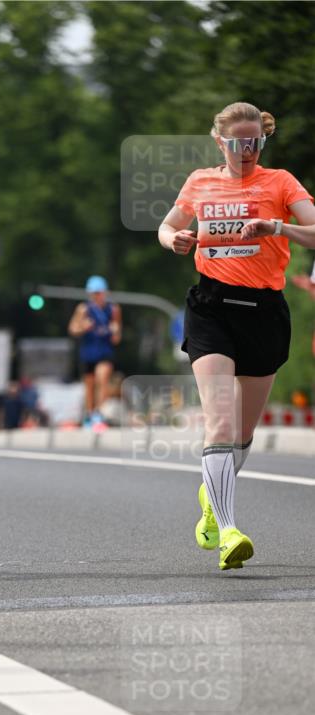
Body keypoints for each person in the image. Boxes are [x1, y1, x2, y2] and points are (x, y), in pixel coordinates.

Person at [158, 101, 315, 570]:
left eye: (254, 142)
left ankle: (211, 495)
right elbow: (168, 226)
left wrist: (277, 226)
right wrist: (175, 240)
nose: (245, 150)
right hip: (211, 309)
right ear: (219, 141)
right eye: (236, 142)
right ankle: (228, 530)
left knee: (242, 435)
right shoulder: (199, 181)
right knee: (220, 424)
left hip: (264, 312)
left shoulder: (281, 182)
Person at [67, 275, 122, 430]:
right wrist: (82, 328)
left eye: (99, 292)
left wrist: (115, 331)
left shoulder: (114, 309)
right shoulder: (83, 309)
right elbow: (72, 329)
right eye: (93, 293)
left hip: (105, 350)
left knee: (102, 379)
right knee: (89, 385)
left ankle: (99, 413)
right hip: (89, 351)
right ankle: (90, 414)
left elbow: (117, 337)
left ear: (104, 292)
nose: (96, 296)